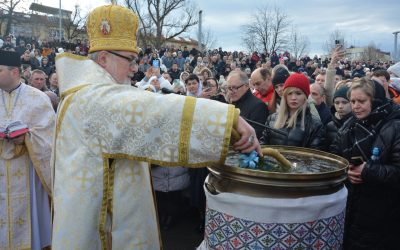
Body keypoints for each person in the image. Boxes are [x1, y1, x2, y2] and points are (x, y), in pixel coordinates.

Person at [51, 5, 261, 249]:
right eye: (129, 59)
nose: (134, 67)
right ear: (103, 58)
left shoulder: (86, 92)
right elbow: (155, 112)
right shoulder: (91, 99)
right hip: (102, 230)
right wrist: (229, 119)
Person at [330, 77, 400, 249]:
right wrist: (346, 171)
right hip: (352, 207)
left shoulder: (395, 126)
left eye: (361, 101)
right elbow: (335, 157)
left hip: (384, 214)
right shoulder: (348, 127)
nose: (355, 106)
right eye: (352, 101)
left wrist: (367, 171)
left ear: (375, 101)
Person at [0, 50, 55, 249]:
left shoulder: (38, 98)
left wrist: (27, 138)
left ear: (14, 72)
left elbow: (50, 137)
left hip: (28, 173)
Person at [261, 73, 325, 150]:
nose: (293, 98)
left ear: (305, 96)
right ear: (285, 96)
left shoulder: (315, 125)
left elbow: (314, 156)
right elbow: (263, 147)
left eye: (298, 93)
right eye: (289, 93)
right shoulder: (272, 118)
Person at [226, 70, 269, 139]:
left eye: (235, 88)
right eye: (229, 88)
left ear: (246, 86)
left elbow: (255, 137)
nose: (231, 92)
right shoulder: (229, 105)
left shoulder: (259, 106)